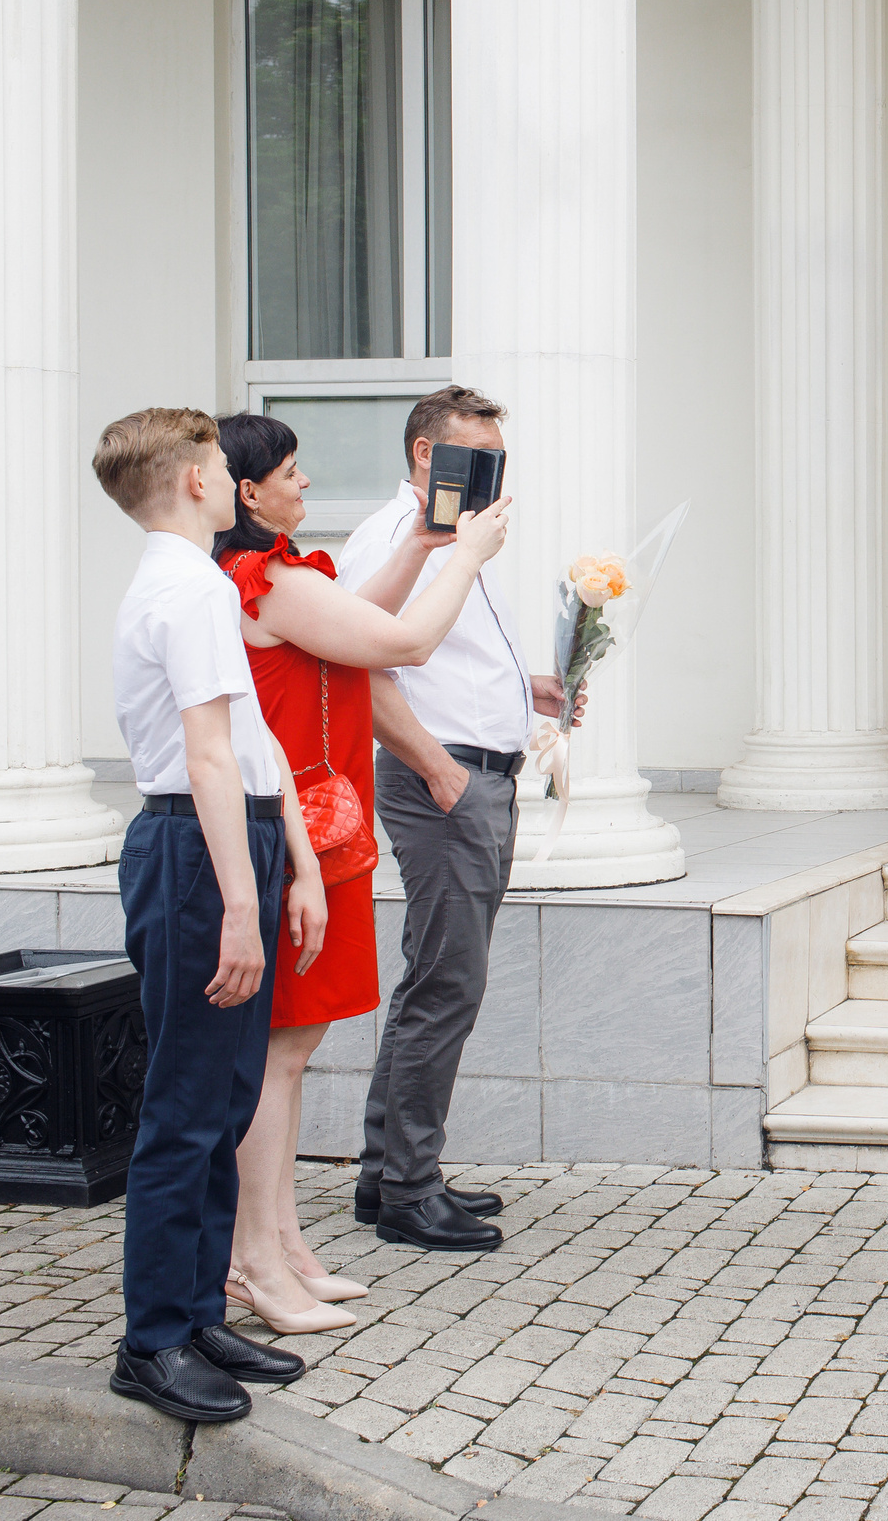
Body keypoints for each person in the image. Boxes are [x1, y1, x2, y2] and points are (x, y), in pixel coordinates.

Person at [208, 412, 513, 1328]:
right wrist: (465, 554)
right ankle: (255, 1256)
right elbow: (401, 644)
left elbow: (368, 611)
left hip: (324, 829)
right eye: (292, 474)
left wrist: (426, 541)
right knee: (279, 1053)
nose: (308, 486)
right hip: (299, 826)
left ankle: (283, 1243)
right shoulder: (262, 580)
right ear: (247, 492)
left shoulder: (293, 573)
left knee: (293, 1051)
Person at [92, 407, 328, 1424]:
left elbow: (246, 746)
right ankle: (152, 1340)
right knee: (187, 1108)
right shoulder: (186, 588)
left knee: (225, 1098)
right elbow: (205, 756)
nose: (238, 480)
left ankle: (196, 1314)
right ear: (195, 481)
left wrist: (289, 866)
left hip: (228, 838)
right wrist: (242, 897)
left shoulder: (189, 583)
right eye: (221, 468)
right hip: (199, 846)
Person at [338, 385, 577, 1252]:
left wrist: (530, 691)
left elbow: (452, 658)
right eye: (477, 457)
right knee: (446, 986)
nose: (492, 475)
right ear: (424, 456)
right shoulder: (392, 539)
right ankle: (407, 1188)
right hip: (440, 782)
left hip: (477, 776)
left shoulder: (459, 538)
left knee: (433, 981)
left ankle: (388, 1173)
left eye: (499, 459)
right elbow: (360, 665)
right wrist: (438, 769)